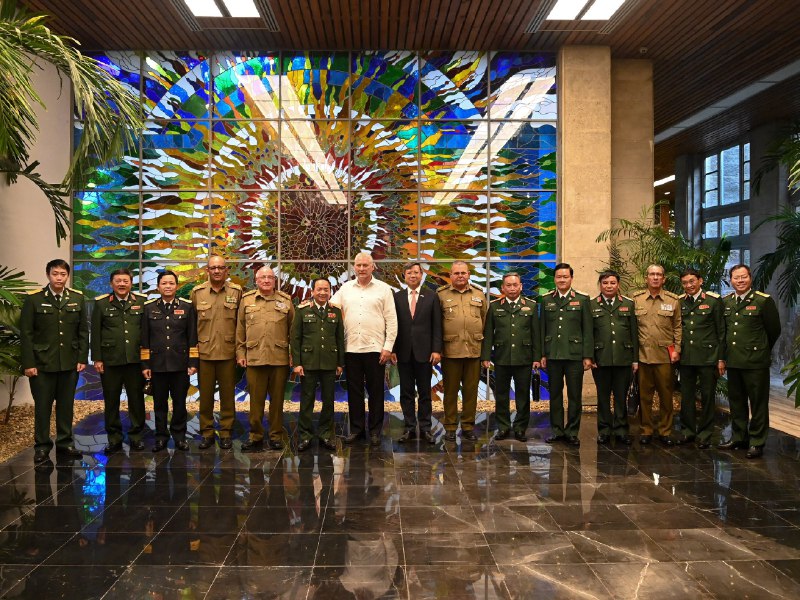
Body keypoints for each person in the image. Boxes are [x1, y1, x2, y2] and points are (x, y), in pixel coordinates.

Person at [20, 259, 88, 464]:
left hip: (69, 363)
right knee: (42, 407)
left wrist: (82, 358)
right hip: (42, 364)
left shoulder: (77, 298)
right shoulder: (34, 300)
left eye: (63, 274)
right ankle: (41, 446)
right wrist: (29, 363)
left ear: (67, 276)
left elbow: (83, 331)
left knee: (66, 406)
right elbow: (27, 334)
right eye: (55, 274)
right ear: (48, 275)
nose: (59, 278)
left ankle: (65, 443)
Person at [330, 252, 398, 446]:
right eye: (358, 265)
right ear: (354, 267)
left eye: (365, 265)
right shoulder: (345, 289)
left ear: (372, 266)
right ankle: (357, 430)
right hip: (351, 349)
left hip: (376, 349)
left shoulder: (384, 289)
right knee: (354, 392)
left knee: (377, 392)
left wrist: (388, 347)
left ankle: (375, 431)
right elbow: (330, 307)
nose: (361, 268)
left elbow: (391, 320)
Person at [718, 264, 781, 458]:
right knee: (736, 403)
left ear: (750, 278)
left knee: (758, 404)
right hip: (734, 361)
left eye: (743, 277)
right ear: (730, 280)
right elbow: (724, 333)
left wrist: (760, 350)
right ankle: (739, 438)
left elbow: (773, 330)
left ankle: (757, 441)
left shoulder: (763, 301)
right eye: (736, 278)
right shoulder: (726, 302)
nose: (740, 281)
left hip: (756, 362)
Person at [237, 266, 294, 452]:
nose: (267, 280)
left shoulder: (285, 301)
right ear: (257, 280)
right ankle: (255, 436)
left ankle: (276, 436)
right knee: (256, 400)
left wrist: (293, 356)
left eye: (270, 277)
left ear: (274, 280)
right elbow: (240, 329)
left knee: (277, 401)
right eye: (263, 277)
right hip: (254, 357)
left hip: (279, 358)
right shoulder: (246, 301)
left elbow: (293, 330)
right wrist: (240, 353)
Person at [140, 270, 198, 452]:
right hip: (157, 365)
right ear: (158, 286)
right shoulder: (149, 308)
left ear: (177, 286)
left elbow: (192, 337)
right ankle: (161, 437)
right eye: (164, 283)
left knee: (180, 403)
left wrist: (193, 362)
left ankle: (180, 437)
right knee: (159, 403)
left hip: (180, 364)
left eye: (171, 283)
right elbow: (144, 339)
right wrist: (145, 364)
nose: (167, 286)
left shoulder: (187, 307)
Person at [91, 268, 148, 453]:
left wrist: (147, 358)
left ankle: (136, 436)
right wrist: (97, 358)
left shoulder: (141, 302)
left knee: (137, 400)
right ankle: (114, 438)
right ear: (111, 284)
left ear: (131, 283)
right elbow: (96, 332)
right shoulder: (101, 304)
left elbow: (146, 332)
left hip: (135, 360)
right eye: (118, 281)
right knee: (111, 400)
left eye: (125, 281)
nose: (122, 284)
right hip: (110, 361)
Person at [190, 256, 243, 450]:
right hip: (205, 354)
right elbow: (192, 326)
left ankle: (226, 432)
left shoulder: (237, 292)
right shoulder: (197, 293)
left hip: (228, 353)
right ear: (207, 270)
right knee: (205, 396)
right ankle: (207, 432)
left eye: (221, 268)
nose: (217, 271)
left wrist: (240, 352)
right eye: (213, 268)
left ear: (227, 270)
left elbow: (240, 325)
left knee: (228, 396)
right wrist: (193, 356)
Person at [481, 272, 539, 442]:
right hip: (502, 357)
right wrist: (485, 356)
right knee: (501, 395)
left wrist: (537, 357)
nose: (512, 288)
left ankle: (520, 428)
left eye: (515, 285)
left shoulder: (531, 306)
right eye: (508, 285)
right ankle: (503, 427)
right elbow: (488, 334)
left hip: (524, 358)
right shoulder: (495, 306)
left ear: (521, 286)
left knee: (522, 395)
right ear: (502, 288)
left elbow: (536, 334)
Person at [540, 263, 593, 447]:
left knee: (574, 396)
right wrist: (542, 354)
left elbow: (587, 330)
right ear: (554, 279)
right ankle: (556, 430)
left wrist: (587, 355)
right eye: (558, 277)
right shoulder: (546, 300)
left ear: (571, 278)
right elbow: (542, 329)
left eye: (565, 277)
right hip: (553, 355)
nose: (562, 280)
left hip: (574, 356)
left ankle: (572, 432)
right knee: (554, 395)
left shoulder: (582, 299)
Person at [291, 277, 345, 452]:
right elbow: (295, 338)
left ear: (330, 292)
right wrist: (297, 363)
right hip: (308, 363)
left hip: (330, 363)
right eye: (319, 289)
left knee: (329, 401)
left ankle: (326, 435)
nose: (323, 292)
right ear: (312, 291)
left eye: (326, 289)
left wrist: (340, 363)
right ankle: (305, 436)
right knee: (307, 401)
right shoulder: (302, 310)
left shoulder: (335, 311)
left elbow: (339, 339)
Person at [437, 261, 488, 442]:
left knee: (471, 391)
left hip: (473, 350)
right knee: (450, 391)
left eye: (463, 273)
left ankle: (468, 426)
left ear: (469, 274)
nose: (460, 276)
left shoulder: (479, 295)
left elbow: (485, 321)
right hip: (450, 351)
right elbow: (436, 323)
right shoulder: (441, 295)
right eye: (456, 273)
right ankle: (450, 426)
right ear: (450, 275)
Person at [392, 262, 442, 444]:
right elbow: (393, 326)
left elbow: (437, 325)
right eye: (409, 273)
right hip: (403, 353)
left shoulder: (431, 296)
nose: (412, 275)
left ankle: (426, 428)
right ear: (404, 276)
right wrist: (393, 349)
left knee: (425, 393)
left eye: (416, 272)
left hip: (425, 353)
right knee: (406, 393)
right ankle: (409, 428)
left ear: (421, 275)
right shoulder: (396, 297)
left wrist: (437, 350)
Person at [632, 264, 682, 446]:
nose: (655, 278)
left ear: (664, 279)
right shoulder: (636, 299)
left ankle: (665, 430)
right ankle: (646, 430)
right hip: (643, 356)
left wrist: (677, 349)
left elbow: (678, 326)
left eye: (658, 275)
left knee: (666, 396)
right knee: (644, 397)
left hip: (665, 357)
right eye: (652, 274)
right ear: (646, 278)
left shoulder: (673, 300)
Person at [677, 268, 725, 449]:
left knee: (707, 396)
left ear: (700, 281)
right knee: (687, 397)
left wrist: (721, 359)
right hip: (686, 357)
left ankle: (705, 433)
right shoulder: (679, 302)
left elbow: (721, 331)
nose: (688, 285)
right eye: (685, 283)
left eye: (692, 281)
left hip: (708, 357)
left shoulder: (713, 301)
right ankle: (688, 431)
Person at [589, 270, 638, 445]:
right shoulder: (592, 304)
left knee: (620, 396)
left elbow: (634, 333)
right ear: (600, 285)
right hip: (600, 359)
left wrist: (635, 359)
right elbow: (589, 334)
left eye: (612, 283)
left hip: (623, 358)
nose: (609, 286)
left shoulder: (628, 304)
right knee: (602, 397)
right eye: (605, 283)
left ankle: (621, 430)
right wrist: (590, 357)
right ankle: (604, 430)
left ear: (618, 285)